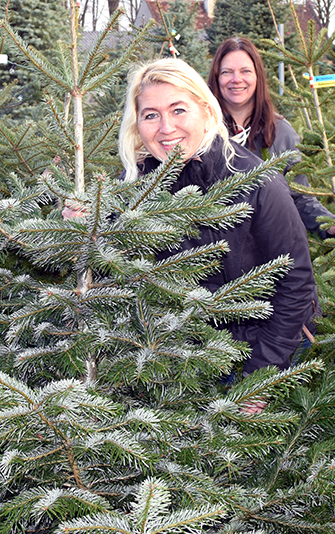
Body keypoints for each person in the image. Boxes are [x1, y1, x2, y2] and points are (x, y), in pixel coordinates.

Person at [118, 58, 318, 400]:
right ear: (137, 125)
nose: (166, 128)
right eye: (151, 115)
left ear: (206, 110)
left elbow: (296, 285)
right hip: (174, 359)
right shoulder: (135, 185)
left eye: (178, 110)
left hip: (254, 353)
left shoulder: (256, 180)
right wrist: (82, 224)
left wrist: (258, 381)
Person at [208, 37, 335, 238]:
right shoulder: (203, 131)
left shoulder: (280, 131)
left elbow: (300, 196)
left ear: (258, 77)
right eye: (227, 72)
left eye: (245, 71)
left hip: (267, 253)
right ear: (217, 77)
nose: (236, 79)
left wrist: (329, 223)